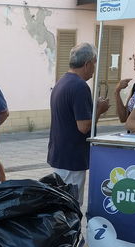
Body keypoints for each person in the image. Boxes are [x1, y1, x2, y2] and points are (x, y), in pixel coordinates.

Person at [47, 43, 110, 206]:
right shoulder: (80, 86)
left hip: (60, 154)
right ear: (88, 63)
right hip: (71, 157)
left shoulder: (62, 82)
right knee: (71, 204)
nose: (94, 69)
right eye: (94, 64)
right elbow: (83, 127)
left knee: (63, 202)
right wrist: (99, 110)